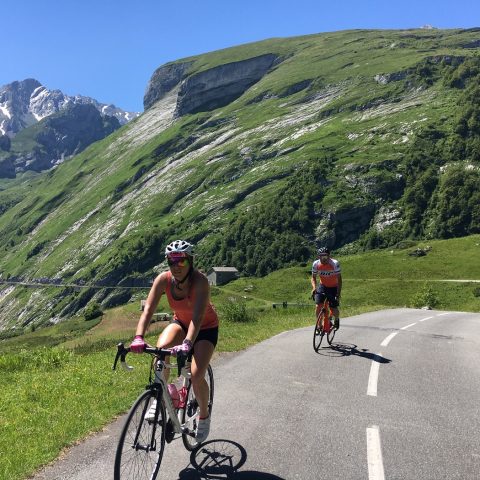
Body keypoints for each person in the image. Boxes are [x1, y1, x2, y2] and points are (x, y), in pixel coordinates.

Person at [130, 239, 218, 443]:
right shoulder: (163, 280)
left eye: (182, 262)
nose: (176, 267)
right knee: (160, 353)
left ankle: (204, 415)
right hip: (181, 323)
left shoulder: (200, 281)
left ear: (190, 261)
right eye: (172, 262)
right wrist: (138, 337)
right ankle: (161, 397)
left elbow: (197, 318)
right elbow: (148, 311)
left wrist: (188, 343)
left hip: (205, 328)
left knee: (196, 375)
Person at [311, 246, 342, 329]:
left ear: (329, 256)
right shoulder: (316, 264)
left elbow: (339, 280)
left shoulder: (334, 263)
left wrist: (338, 294)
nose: (324, 259)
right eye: (322, 257)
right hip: (323, 286)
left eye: (326, 256)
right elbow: (313, 277)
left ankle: (336, 319)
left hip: (333, 287)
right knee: (318, 306)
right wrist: (314, 288)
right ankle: (319, 326)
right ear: (319, 257)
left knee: (333, 308)